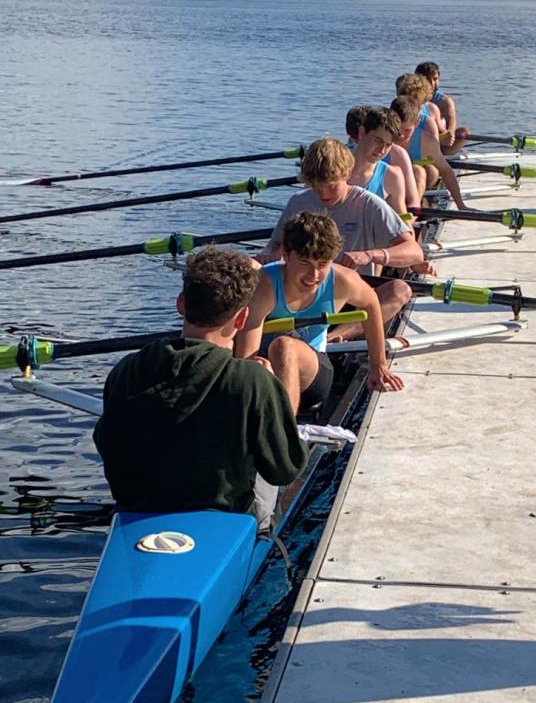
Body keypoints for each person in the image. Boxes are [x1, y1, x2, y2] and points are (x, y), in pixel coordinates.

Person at [92, 246, 307, 530]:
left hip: (136, 514)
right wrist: (273, 397)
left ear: (181, 304)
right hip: (221, 521)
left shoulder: (126, 370)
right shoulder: (251, 380)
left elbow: (106, 445)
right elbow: (286, 468)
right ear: (242, 319)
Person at [257, 136, 423, 340]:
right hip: (303, 289)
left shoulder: (368, 204)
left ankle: (338, 335)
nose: (323, 194)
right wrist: (267, 256)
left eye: (331, 185)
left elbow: (414, 251)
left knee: (400, 290)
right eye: (317, 187)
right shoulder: (299, 201)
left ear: (347, 173)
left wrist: (370, 255)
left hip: (350, 293)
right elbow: (275, 246)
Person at [236, 212, 403, 412]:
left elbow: (371, 303)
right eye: (305, 263)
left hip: (313, 373)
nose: (313, 276)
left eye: (322, 264)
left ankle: (283, 432)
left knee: (284, 346)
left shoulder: (343, 280)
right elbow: (247, 358)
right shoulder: (266, 284)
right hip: (266, 369)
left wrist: (378, 365)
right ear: (287, 256)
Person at [390, 92, 466, 210]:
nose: (400, 135)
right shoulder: (380, 136)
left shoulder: (427, 142)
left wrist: (461, 205)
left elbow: (446, 171)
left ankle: (413, 209)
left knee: (420, 171)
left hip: (412, 186)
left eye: (406, 130)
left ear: (416, 123)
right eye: (396, 128)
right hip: (387, 187)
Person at [347, 105, 408, 216]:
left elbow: (403, 222)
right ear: (362, 133)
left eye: (388, 145)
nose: (382, 150)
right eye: (378, 140)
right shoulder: (334, 169)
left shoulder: (392, 177)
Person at [415, 60, 469, 154]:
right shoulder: (410, 98)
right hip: (418, 140)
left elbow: (450, 131)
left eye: (435, 79)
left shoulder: (445, 102)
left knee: (464, 132)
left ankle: (440, 156)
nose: (432, 83)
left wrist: (443, 137)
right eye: (428, 79)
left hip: (441, 143)